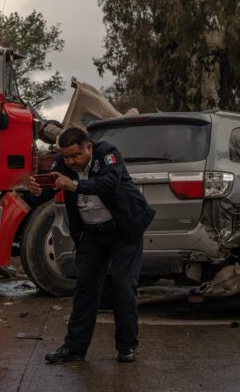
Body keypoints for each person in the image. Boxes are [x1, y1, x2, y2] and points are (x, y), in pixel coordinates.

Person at [28, 127, 155, 364]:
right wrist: (35, 190)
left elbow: (109, 182)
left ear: (89, 147)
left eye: (75, 156)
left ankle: (127, 347)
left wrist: (75, 186)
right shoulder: (62, 163)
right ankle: (74, 348)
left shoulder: (108, 154)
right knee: (84, 290)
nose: (70, 162)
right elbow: (47, 190)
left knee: (122, 285)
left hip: (123, 230)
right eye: (66, 157)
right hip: (92, 235)